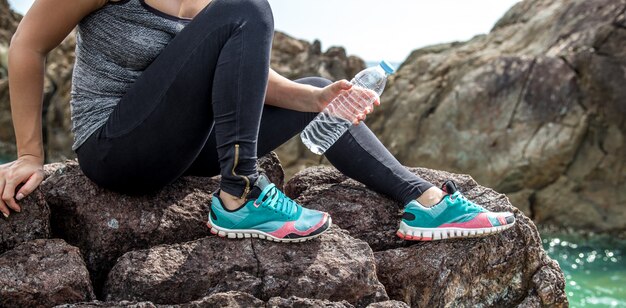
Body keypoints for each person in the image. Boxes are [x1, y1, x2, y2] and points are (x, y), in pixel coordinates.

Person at [0, 0, 515, 242]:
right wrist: (29, 154)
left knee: (314, 86)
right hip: (115, 147)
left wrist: (314, 102)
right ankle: (241, 194)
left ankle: (422, 202)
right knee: (250, 7)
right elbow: (28, 43)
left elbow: (248, 77)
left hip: (180, 148)